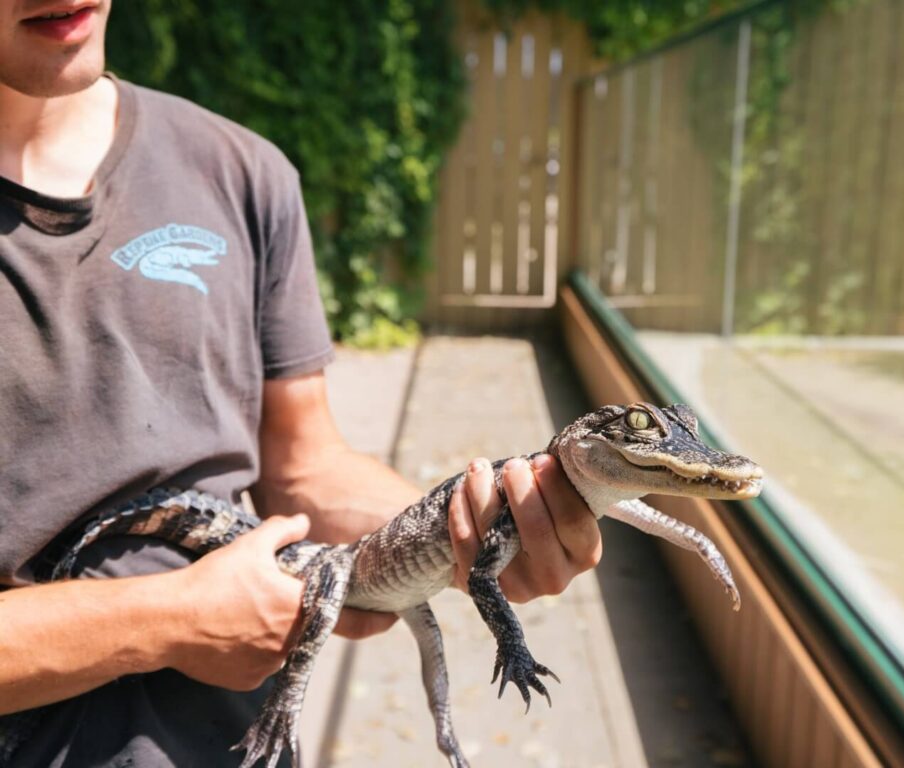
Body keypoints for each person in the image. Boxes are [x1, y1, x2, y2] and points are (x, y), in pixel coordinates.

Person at [0, 1, 602, 765]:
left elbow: (301, 467)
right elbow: (173, 615)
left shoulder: (239, 169)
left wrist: (466, 533)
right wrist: (160, 623)